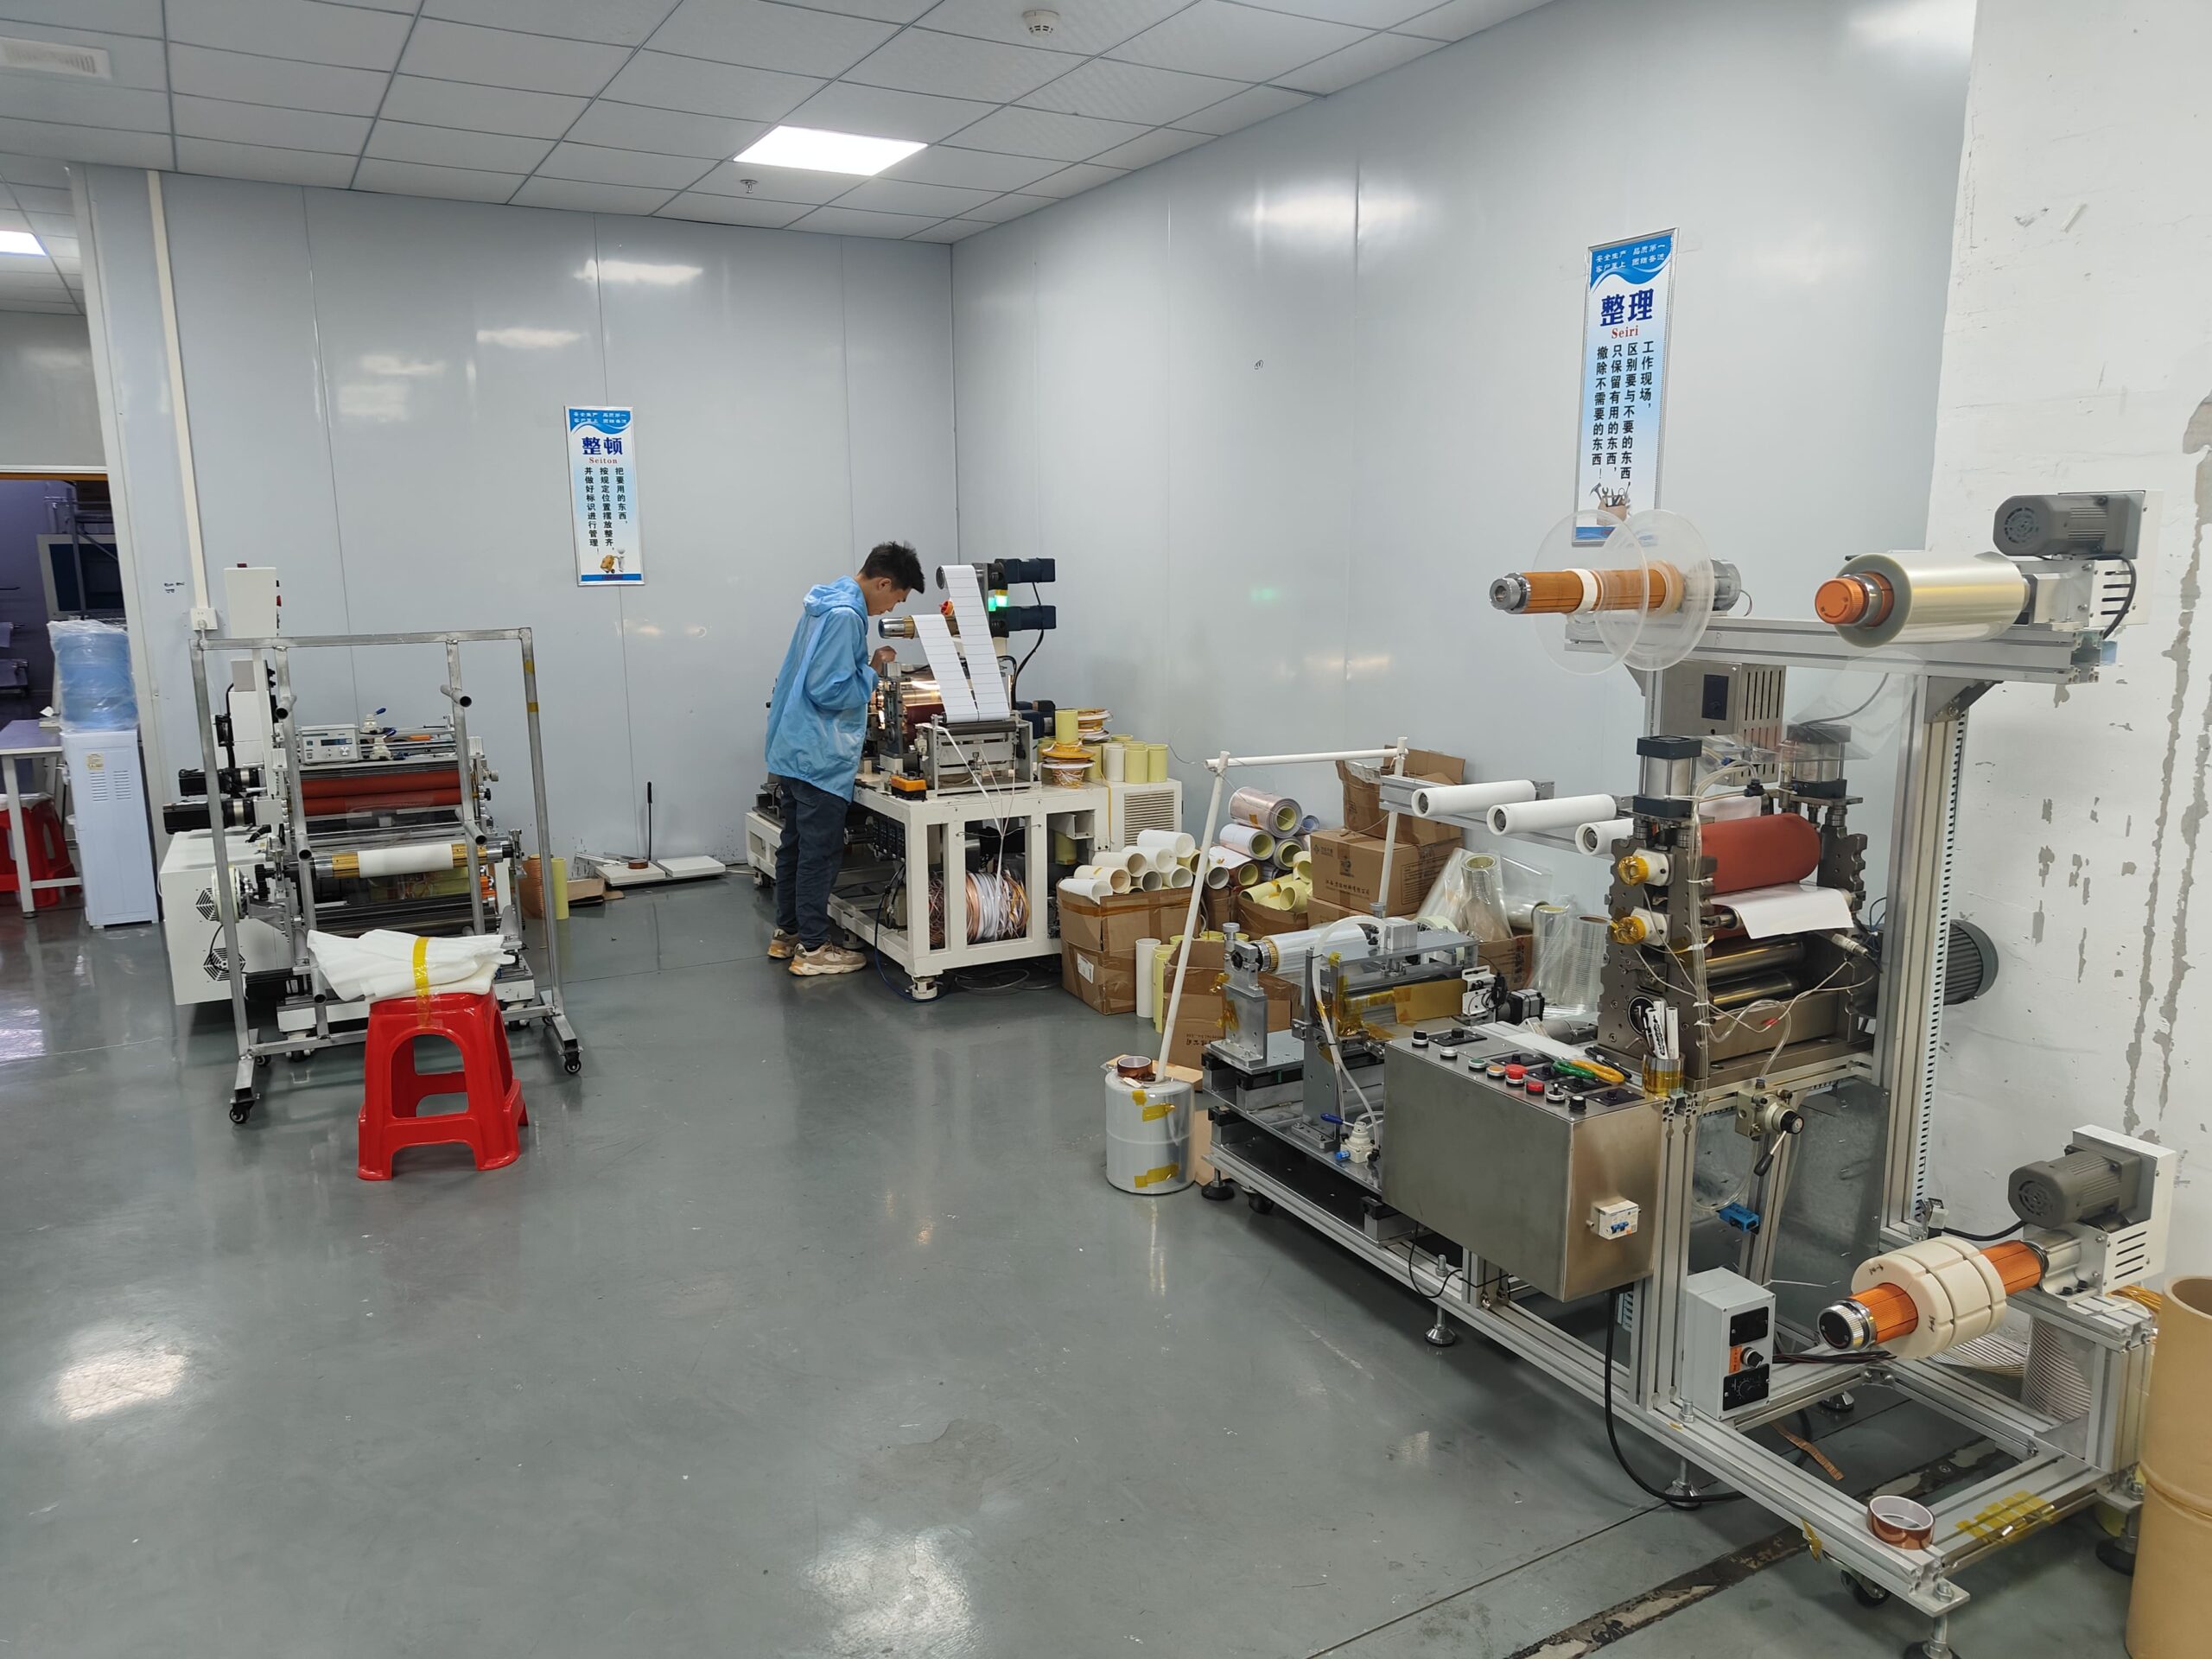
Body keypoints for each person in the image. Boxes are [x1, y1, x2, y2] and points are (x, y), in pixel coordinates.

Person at [764, 542, 925, 976]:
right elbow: (829, 690)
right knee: (818, 853)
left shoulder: (824, 603)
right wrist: (873, 667)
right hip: (819, 752)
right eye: (897, 599)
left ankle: (788, 933)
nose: (890, 609)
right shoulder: (846, 616)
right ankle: (814, 949)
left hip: (795, 745)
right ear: (884, 583)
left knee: (795, 846)